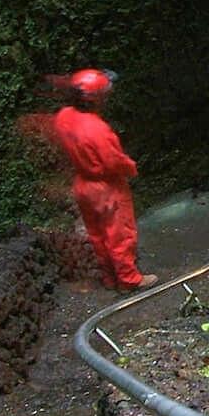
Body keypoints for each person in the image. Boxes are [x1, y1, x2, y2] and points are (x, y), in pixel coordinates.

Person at [48, 69, 154, 291]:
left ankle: (109, 276)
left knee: (97, 234)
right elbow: (113, 161)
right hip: (105, 187)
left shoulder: (64, 117)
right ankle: (128, 279)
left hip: (82, 184)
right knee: (119, 233)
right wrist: (130, 167)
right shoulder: (97, 129)